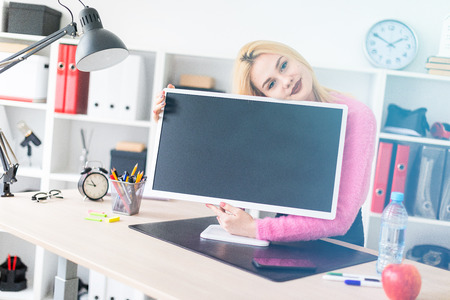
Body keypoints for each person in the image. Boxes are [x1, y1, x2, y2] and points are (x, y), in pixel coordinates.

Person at [153, 40, 376, 246]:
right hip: (283, 233)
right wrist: (175, 123)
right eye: (271, 84)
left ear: (295, 57)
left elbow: (340, 220)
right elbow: (236, 186)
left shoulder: (357, 116)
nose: (286, 80)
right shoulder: (278, 122)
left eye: (284, 65)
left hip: (338, 244)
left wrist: (254, 228)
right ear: (264, 97)